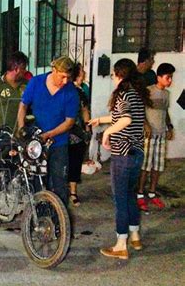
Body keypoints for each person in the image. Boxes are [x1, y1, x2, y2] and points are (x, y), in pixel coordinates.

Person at [89, 58, 148, 260]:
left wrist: (106, 134)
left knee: (120, 198)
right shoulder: (136, 94)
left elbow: (125, 119)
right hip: (137, 153)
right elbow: (121, 117)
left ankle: (121, 244)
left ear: (119, 74)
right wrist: (101, 120)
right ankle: (135, 235)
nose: (113, 78)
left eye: (114, 74)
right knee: (130, 195)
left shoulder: (123, 94)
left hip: (123, 154)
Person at [17, 56, 79, 205]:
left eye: (68, 78)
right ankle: (37, 215)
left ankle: (59, 219)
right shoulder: (36, 83)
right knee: (37, 180)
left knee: (59, 182)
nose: (65, 81)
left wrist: (49, 135)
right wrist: (21, 128)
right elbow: (23, 106)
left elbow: (69, 122)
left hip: (59, 143)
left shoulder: (71, 92)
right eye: (62, 77)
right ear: (54, 70)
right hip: (36, 142)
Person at [137, 63, 176, 213]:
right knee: (145, 165)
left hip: (161, 135)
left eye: (171, 77)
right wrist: (145, 124)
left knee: (158, 166)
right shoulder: (148, 91)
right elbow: (140, 111)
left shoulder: (167, 94)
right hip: (149, 136)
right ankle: (140, 193)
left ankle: (152, 192)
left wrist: (170, 127)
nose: (170, 80)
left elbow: (165, 112)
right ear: (159, 77)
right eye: (168, 77)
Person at [68, 63, 91, 206]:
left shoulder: (82, 90)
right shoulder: (70, 90)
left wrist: (87, 128)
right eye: (82, 71)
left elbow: (85, 110)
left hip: (76, 132)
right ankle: (70, 192)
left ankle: (72, 192)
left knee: (75, 162)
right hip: (68, 131)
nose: (84, 73)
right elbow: (84, 111)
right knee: (69, 162)